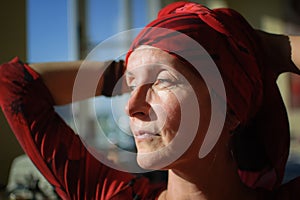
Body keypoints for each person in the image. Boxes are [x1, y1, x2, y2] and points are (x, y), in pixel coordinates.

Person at [1, 1, 300, 199]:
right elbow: (12, 83)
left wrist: (268, 49)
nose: (131, 107)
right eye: (130, 87)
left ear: (230, 110)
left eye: (162, 82)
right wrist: (133, 66)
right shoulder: (111, 194)